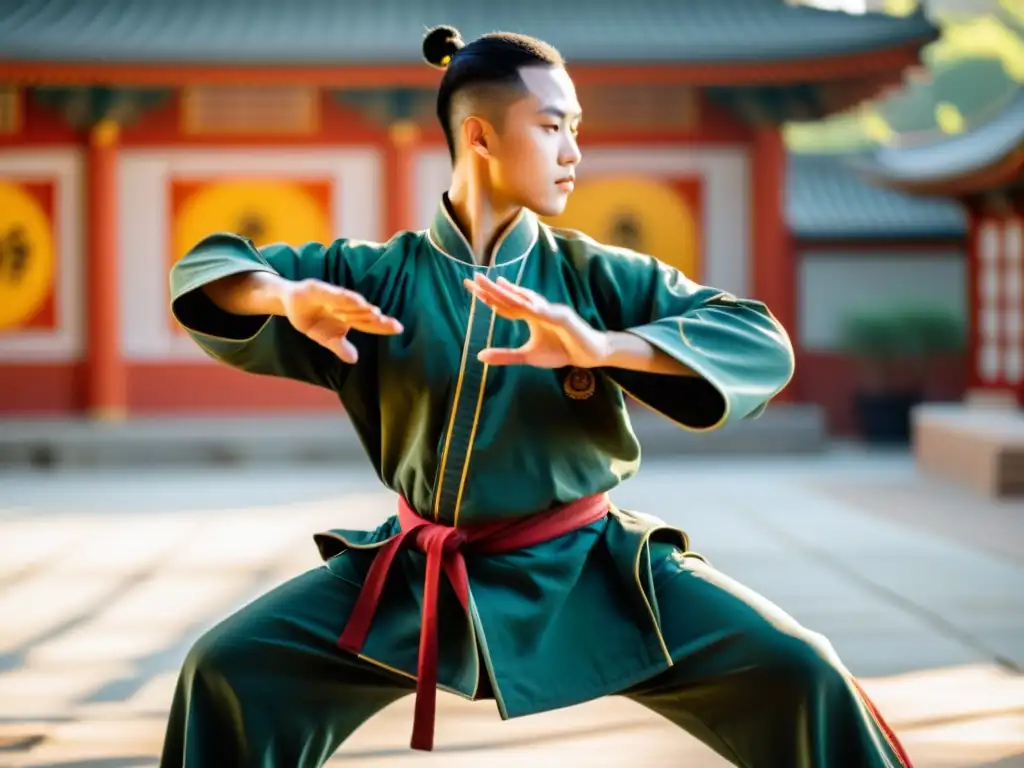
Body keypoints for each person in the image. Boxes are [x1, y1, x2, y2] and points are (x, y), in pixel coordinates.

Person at [160, 24, 913, 768]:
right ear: (481, 138)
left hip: (596, 570)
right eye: (553, 127)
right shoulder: (377, 277)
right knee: (227, 670)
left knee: (800, 670)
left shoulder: (594, 278)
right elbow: (208, 263)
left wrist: (604, 347)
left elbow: (758, 339)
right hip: (418, 580)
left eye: (576, 129)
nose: (574, 153)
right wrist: (281, 296)